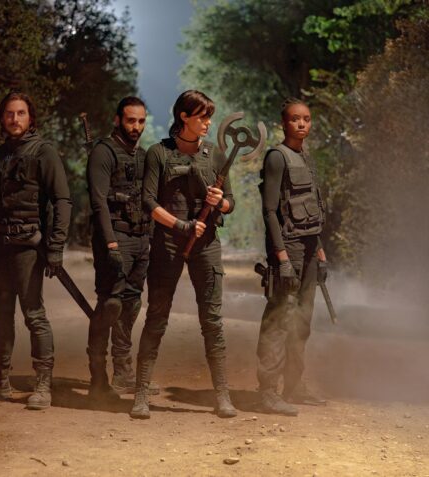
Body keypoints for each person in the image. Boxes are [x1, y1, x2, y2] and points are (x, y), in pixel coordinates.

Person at [130, 90, 237, 419]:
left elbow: (230, 203)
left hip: (207, 244)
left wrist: (220, 202)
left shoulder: (215, 154)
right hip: (169, 243)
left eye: (209, 117)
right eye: (202, 116)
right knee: (156, 317)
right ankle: (140, 394)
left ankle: (222, 395)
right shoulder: (158, 153)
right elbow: (148, 202)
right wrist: (181, 225)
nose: (208, 123)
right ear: (184, 117)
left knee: (212, 321)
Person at [0, 92, 72, 410]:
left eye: (21, 113)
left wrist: (56, 247)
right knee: (1, 315)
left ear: (30, 117)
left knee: (34, 314)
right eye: (9, 114)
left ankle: (43, 383)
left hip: (29, 248)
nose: (14, 119)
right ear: (2, 118)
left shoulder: (44, 152)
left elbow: (62, 201)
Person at [256, 97, 328, 416]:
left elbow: (312, 209)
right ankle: (268, 392)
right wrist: (282, 258)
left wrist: (320, 251)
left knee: (302, 321)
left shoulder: (305, 158)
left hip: (310, 248)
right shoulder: (277, 157)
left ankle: (294, 386)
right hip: (289, 247)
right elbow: (270, 211)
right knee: (279, 320)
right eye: (295, 119)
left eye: (307, 119)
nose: (302, 124)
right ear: (284, 123)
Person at [86, 96, 159, 401]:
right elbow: (98, 202)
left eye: (141, 121)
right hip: (115, 237)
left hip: (141, 238)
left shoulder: (142, 155)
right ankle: (97, 377)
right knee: (110, 304)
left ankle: (123, 372)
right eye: (130, 120)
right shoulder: (103, 152)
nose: (136, 127)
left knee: (131, 305)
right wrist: (110, 242)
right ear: (117, 120)